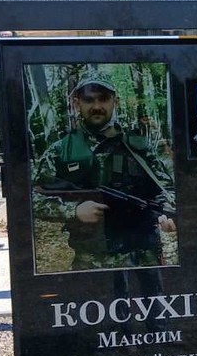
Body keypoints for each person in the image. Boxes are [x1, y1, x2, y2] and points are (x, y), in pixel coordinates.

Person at [32, 67, 175, 271]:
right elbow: (33, 198)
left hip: (143, 257)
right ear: (76, 103)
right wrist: (74, 210)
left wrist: (165, 216)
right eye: (89, 99)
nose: (96, 106)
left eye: (103, 99)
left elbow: (166, 189)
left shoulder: (138, 147)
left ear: (114, 102)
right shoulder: (61, 151)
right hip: (90, 261)